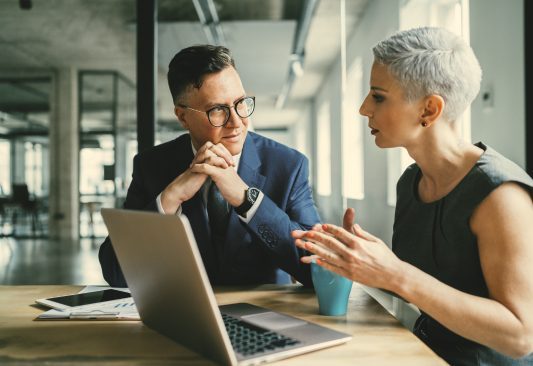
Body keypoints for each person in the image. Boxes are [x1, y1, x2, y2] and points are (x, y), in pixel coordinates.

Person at [292, 27, 533, 365]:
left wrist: (394, 273)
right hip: (420, 353)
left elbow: (521, 335)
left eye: (377, 96)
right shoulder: (410, 183)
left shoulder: (501, 197)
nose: (363, 109)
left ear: (429, 110)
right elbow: (427, 287)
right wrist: (359, 260)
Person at [100, 45, 320, 288]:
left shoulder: (288, 165)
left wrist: (248, 201)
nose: (237, 122)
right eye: (218, 110)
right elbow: (115, 272)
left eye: (241, 103)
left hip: (266, 315)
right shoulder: (151, 166)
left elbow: (316, 268)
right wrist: (170, 198)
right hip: (186, 316)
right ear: (183, 117)